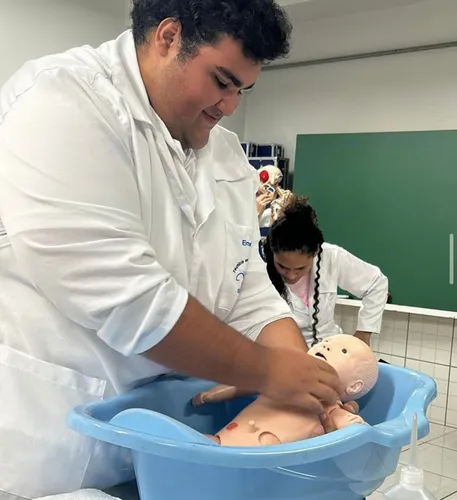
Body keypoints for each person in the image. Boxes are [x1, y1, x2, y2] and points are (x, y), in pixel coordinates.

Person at [0, 1, 346, 498]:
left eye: (242, 90)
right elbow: (128, 299)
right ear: (168, 36)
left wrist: (302, 383)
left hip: (171, 444)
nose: (231, 106)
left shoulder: (224, 154)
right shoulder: (62, 103)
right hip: (55, 444)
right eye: (222, 81)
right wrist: (268, 371)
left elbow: (246, 288)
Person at [262, 196, 389, 348]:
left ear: (315, 253)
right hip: (283, 355)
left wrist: (364, 332)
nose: (291, 275)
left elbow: (376, 284)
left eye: (300, 268)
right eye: (282, 266)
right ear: (273, 252)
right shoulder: (258, 265)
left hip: (329, 351)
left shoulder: (331, 256)